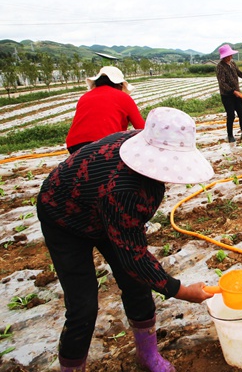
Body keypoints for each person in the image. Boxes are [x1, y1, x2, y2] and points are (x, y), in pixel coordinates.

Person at [37, 107, 216, 371]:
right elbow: (134, 255)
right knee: (83, 307)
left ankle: (147, 355)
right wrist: (181, 291)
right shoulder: (124, 190)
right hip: (63, 217)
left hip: (106, 211)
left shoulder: (138, 150)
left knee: (136, 285)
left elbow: (130, 244)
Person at [65, 66, 145, 154]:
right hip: (105, 145)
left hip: (74, 145)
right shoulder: (123, 97)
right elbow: (142, 128)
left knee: (84, 167)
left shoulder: (84, 97)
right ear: (119, 84)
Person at [216, 44, 242, 143]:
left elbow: (239, 73)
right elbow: (222, 83)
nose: (230, 57)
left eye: (230, 55)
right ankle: (230, 136)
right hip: (227, 96)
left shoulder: (232, 63)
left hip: (237, 94)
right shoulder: (220, 67)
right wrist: (233, 91)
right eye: (228, 55)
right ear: (224, 56)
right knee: (231, 115)